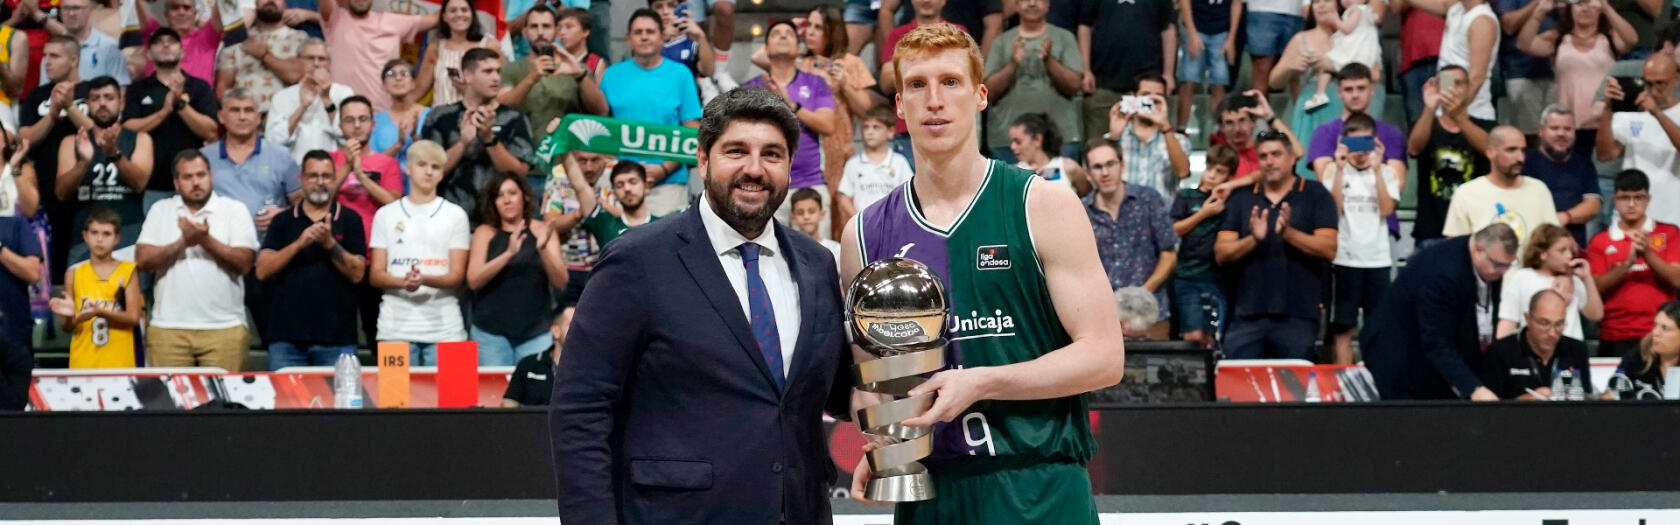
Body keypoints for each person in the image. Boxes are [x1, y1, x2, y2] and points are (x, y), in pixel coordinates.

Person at [843, 23, 1124, 522]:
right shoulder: (862, 233)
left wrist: (979, 382)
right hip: (931, 493)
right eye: (916, 85)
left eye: (950, 82)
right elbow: (875, 376)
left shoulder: (1043, 204)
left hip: (1038, 482)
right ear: (899, 108)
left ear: (979, 96)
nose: (934, 100)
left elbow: (1104, 358)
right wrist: (886, 443)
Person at [553, 86, 852, 524]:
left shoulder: (817, 263)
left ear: (790, 166)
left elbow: (836, 391)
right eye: (736, 151)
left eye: (772, 154)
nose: (755, 169)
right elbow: (580, 407)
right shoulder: (637, 260)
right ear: (703, 158)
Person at [1214, 130, 1339, 360]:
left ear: (1292, 158)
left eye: (1276, 154)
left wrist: (1289, 234)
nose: (1269, 161)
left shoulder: (1315, 194)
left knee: (1295, 392)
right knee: (1238, 391)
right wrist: (1254, 239)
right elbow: (1222, 253)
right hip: (1245, 316)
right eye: (1263, 156)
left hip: (1298, 315)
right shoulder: (1241, 198)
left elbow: (1329, 249)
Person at [135, 150, 260, 372]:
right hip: (168, 329)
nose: (196, 182)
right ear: (176, 182)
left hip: (224, 329)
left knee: (223, 405)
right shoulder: (161, 210)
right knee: (168, 405)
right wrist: (183, 242)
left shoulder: (234, 210)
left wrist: (204, 240)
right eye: (187, 177)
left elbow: (245, 263)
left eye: (201, 175)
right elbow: (143, 260)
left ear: (210, 176)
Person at [1365, 223, 1517, 400]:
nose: (1502, 272)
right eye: (1498, 265)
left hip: (1428, 351)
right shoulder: (1443, 274)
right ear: (1478, 249)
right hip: (1397, 355)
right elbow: (1436, 342)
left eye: (1508, 266)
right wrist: (1474, 388)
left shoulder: (1488, 262)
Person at [254, 150, 366, 370]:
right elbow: (262, 271)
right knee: (285, 404)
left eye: (326, 176)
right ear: (301, 179)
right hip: (286, 340)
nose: (320, 182)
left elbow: (358, 273)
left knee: (339, 404)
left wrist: (330, 244)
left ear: (334, 180)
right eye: (313, 176)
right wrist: (299, 243)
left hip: (337, 339)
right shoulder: (282, 220)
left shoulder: (350, 219)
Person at [367, 140, 468, 365]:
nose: (429, 172)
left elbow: (457, 276)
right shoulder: (386, 215)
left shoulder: (456, 215)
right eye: (422, 164)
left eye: (435, 167)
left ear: (442, 173)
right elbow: (375, 274)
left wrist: (423, 279)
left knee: (454, 400)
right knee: (394, 400)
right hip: (394, 329)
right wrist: (404, 282)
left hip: (447, 329)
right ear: (408, 167)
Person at [598, 9, 701, 217]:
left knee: (670, 248)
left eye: (650, 31)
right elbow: (601, 131)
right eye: (638, 32)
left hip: (668, 183)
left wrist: (663, 170)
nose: (644, 36)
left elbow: (693, 133)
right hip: (621, 186)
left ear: (662, 37)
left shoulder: (681, 74)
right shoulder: (610, 76)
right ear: (628, 38)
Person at [744, 20, 838, 233]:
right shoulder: (750, 88)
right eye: (776, 33)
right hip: (764, 185)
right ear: (766, 49)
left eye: (789, 33)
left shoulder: (816, 83)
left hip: (810, 185)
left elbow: (828, 125)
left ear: (799, 48)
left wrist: (791, 104)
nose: (784, 36)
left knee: (815, 259)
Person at [467, 172, 567, 366]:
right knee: (494, 395)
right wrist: (508, 254)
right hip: (491, 333)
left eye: (512, 193)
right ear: (493, 202)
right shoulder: (485, 232)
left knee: (535, 392)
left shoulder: (543, 231)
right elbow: (473, 280)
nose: (506, 200)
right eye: (499, 195)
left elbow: (561, 281)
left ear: (525, 196)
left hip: (535, 332)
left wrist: (543, 249)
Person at [1323, 114, 1399, 364]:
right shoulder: (1334, 170)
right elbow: (1334, 212)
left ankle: (1375, 382)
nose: (1359, 151)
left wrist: (1377, 170)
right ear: (1343, 142)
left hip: (1377, 259)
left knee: (1377, 327)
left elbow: (1387, 210)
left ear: (1375, 141)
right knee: (1343, 328)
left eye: (1364, 143)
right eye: (1354, 144)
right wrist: (1340, 167)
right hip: (1345, 259)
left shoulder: (1386, 172)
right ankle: (1344, 386)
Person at [423, 48, 534, 220]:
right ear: (468, 75)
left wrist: (489, 139)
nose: (496, 78)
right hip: (448, 219)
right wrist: (462, 143)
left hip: (500, 222)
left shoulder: (514, 118)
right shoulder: (440, 117)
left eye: (498, 71)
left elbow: (519, 173)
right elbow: (427, 173)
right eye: (488, 72)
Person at [1084, 139, 1177, 338]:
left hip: (1152, 314)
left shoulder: (1148, 199)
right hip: (1103, 319)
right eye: (1097, 167)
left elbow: (1169, 254)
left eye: (1110, 164)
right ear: (1088, 173)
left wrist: (1140, 296)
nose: (1105, 172)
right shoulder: (1081, 211)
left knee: (1159, 369)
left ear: (1122, 165)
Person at [56, 75, 150, 266]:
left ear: (121, 103)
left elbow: (139, 183)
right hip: (84, 239)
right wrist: (83, 162)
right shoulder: (71, 142)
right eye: (96, 98)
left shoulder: (140, 139)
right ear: (88, 104)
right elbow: (61, 192)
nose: (102, 103)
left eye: (109, 97)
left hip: (129, 235)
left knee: (131, 296)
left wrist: (114, 154)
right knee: (81, 296)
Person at [1515, 0, 1634, 148]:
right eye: (1579, 3)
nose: (1585, 9)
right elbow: (1524, 44)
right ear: (1570, 8)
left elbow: (1632, 40)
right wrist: (1538, 13)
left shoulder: (1610, 39)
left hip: (1604, 121)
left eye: (1590, 3)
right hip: (1569, 125)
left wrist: (1607, 8)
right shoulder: (1557, 39)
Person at [1589, 169, 1680, 358]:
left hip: (1661, 334)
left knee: (1668, 387)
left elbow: (1677, 280)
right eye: (1625, 198)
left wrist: (1647, 253)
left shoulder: (1669, 233)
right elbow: (1595, 289)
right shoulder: (1600, 241)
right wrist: (1627, 264)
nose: (1631, 204)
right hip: (1615, 335)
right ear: (1615, 200)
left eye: (1638, 197)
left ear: (1648, 199)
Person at [124, 28, 219, 207]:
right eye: (158, 42)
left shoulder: (199, 87)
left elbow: (210, 131)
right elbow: (128, 128)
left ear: (183, 52)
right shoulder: (138, 88)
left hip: (191, 182)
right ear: (149, 54)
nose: (166, 44)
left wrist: (180, 105)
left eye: (172, 41)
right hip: (150, 184)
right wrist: (164, 112)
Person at [981, 0, 1083, 164]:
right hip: (1007, 143)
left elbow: (1075, 85)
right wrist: (1013, 63)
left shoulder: (1064, 38)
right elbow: (989, 92)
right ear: (1016, 5)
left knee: (1058, 190)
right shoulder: (1001, 42)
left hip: (1061, 139)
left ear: (1049, 4)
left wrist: (1050, 61)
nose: (1032, 3)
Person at [1409, 65, 1491, 247]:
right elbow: (1414, 149)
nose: (1453, 89)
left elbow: (1491, 151)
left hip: (1475, 230)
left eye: (1459, 84)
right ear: (1437, 87)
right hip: (1431, 230)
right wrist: (1429, 109)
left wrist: (1459, 117)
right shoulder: (1425, 123)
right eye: (1447, 84)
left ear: (1469, 88)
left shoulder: (1486, 126)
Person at [497, 5, 608, 138]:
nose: (540, 33)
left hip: (566, 151)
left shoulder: (575, 67)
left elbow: (601, 111)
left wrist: (580, 76)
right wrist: (531, 78)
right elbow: (502, 106)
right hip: (523, 151)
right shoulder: (511, 68)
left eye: (546, 26)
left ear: (556, 32)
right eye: (534, 27)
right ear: (524, 32)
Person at [51, 206, 140, 368]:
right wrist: (70, 317)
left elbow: (134, 317)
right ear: (85, 236)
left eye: (106, 234)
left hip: (119, 362)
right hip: (83, 361)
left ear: (117, 238)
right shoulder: (74, 273)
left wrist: (100, 312)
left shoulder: (128, 270)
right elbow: (67, 326)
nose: (99, 239)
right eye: (94, 233)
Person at [203, 88, 301, 236]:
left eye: (248, 110)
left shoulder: (281, 156)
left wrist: (284, 215)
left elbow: (303, 205)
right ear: (221, 117)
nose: (242, 117)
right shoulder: (204, 158)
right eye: (235, 110)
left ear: (258, 117)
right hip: (219, 246)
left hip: (270, 250)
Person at [1077, 0, 1176, 144]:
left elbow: (1168, 29)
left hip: (1148, 87)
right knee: (1099, 149)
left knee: (1152, 148)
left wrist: (1168, 73)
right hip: (1103, 84)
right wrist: (1085, 69)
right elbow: (1084, 26)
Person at [1442, 126, 1561, 245]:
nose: (1520, 158)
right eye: (1511, 150)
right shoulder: (1466, 194)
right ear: (1490, 153)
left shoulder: (1539, 190)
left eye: (1523, 150)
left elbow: (1554, 242)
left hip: (1532, 264)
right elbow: (1454, 251)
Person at [1597, 54, 1680, 225]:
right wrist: (1607, 108)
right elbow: (1606, 155)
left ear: (1676, 80)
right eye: (1648, 83)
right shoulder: (1629, 113)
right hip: (1631, 217)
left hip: (1672, 214)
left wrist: (1657, 113)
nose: (1653, 90)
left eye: (1660, 83)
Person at [317, 0, 438, 111]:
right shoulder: (336, 19)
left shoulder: (392, 22)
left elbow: (437, 18)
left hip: (382, 115)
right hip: (341, 114)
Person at [1169, 143, 1234, 347]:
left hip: (1216, 277)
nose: (1212, 175)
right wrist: (1204, 213)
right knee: (1193, 336)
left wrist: (1228, 191)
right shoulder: (1186, 196)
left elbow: (1255, 178)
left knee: (1213, 337)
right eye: (1210, 168)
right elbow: (1173, 229)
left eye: (1220, 172)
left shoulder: (1231, 202)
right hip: (1186, 276)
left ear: (1230, 178)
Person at [1496, 223, 1603, 341]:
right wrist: (1501, 352)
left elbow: (1595, 315)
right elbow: (1508, 320)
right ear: (1543, 254)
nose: (1569, 255)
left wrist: (1587, 278)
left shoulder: (1574, 280)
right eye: (1562, 251)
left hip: (1570, 351)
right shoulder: (1523, 277)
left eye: (1571, 251)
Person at [1481, 289, 1593, 399]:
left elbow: (1588, 402)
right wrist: (1522, 403)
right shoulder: (1500, 352)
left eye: (1559, 324)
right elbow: (1489, 408)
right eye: (1544, 323)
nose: (1552, 333)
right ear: (1528, 318)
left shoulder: (1577, 350)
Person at [1306, 64, 1408, 183]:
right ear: (1339, 92)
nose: (1355, 95)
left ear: (1371, 90)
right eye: (1348, 89)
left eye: (1361, 88)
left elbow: (1397, 185)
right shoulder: (1323, 133)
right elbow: (1325, 181)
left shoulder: (1392, 133)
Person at [1525, 105, 1602, 247]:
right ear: (1541, 131)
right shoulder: (1526, 163)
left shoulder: (1584, 164)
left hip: (1574, 248)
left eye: (1567, 129)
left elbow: (1593, 205)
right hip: (1535, 244)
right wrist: (1552, 221)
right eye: (1554, 128)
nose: (1561, 134)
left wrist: (1565, 217)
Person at [265, 39, 351, 165]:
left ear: (329, 63)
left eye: (322, 59)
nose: (316, 64)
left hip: (334, 172)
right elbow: (273, 141)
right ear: (298, 61)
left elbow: (351, 137)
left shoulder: (343, 93)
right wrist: (302, 107)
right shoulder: (282, 97)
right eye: (310, 58)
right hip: (293, 172)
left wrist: (327, 99)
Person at [1105, 74, 1190, 198]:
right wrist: (1114, 136)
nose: (1150, 103)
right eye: (1145, 96)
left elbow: (1182, 172)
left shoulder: (1178, 140)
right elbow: (1098, 176)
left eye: (1157, 99)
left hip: (1163, 214)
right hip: (1122, 214)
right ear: (1133, 98)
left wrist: (1165, 126)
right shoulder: (1113, 138)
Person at [331, 95, 403, 238]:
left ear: (373, 124)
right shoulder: (329, 159)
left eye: (363, 119)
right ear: (340, 126)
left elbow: (394, 204)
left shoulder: (388, 163)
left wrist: (361, 176)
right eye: (349, 120)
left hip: (377, 240)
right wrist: (347, 165)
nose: (357, 125)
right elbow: (321, 197)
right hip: (335, 240)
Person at [213, 0, 304, 106]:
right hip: (244, 116)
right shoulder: (237, 40)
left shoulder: (299, 38)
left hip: (286, 116)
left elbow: (294, 76)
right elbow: (222, 88)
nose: (271, 1)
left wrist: (264, 55)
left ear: (286, 3)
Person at [836, 105, 913, 226]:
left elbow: (908, 194)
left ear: (890, 132)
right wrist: (858, 218)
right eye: (866, 127)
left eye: (876, 127)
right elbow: (843, 196)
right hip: (863, 226)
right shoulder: (853, 164)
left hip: (892, 225)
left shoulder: (899, 162)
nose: (870, 132)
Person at [413, 0, 497, 107]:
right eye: (453, 11)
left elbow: (498, 92)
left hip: (478, 119)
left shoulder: (488, 45)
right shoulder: (435, 47)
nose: (459, 14)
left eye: (464, 10)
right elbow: (418, 91)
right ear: (444, 17)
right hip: (441, 118)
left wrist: (468, 91)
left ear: (472, 14)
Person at [1174, 0, 1241, 129]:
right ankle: (1181, 128)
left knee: (1219, 81)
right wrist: (1192, 33)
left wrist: (1231, 39)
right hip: (1195, 27)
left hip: (1222, 31)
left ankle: (1220, 129)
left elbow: (1236, 4)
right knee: (1188, 79)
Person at [1209, 90, 1304, 181]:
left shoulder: (1265, 152)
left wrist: (1269, 117)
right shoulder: (1218, 155)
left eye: (1242, 120)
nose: (1237, 129)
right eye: (1229, 123)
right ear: (1221, 127)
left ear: (1253, 122)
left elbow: (1297, 153)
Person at [1306, 0, 1383, 112]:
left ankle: (1320, 93)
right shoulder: (1351, 12)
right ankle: (1320, 93)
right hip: (1351, 46)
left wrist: (1335, 20)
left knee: (1329, 62)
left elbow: (1347, 28)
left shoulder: (1358, 10)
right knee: (1327, 63)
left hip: (1358, 49)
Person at [132, 0, 221, 83]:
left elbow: (224, 7)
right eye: (175, 8)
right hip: (157, 96)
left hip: (198, 98)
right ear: (166, 14)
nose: (181, 12)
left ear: (195, 14)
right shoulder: (155, 35)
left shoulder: (207, 37)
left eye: (186, 8)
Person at [1605, 301, 1680, 400]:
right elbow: (1610, 396)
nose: (1655, 332)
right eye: (1655, 325)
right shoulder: (1638, 356)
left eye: (1665, 328)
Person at [578, 162, 660, 247]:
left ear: (646, 186)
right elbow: (580, 188)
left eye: (633, 182)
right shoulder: (605, 225)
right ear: (614, 194)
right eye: (620, 185)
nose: (627, 189)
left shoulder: (662, 227)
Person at [370, 59, 427, 174]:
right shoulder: (375, 121)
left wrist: (415, 138)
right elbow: (372, 165)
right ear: (384, 85)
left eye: (404, 74)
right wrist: (398, 145)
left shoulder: (430, 115)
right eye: (391, 74)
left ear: (413, 84)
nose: (398, 78)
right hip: (387, 187)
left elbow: (436, 158)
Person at [1395, 0, 1446, 125]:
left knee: (1449, 113)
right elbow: (1395, 7)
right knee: (1416, 118)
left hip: (1448, 61)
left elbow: (1452, 6)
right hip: (1413, 59)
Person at [1011, 112, 1088, 194]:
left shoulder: (1068, 167)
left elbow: (1087, 197)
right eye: (1012, 141)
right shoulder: (1012, 174)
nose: (1012, 147)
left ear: (1037, 139)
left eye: (1018, 142)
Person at [53, 0, 128, 85]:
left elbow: (121, 87)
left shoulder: (109, 46)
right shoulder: (51, 50)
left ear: (90, 11)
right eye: (66, 9)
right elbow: (43, 92)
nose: (71, 13)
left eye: (76, 8)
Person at [1245, 0, 1306, 97]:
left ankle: (1302, 111)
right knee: (1262, 68)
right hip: (1262, 10)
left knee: (1297, 70)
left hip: (1297, 11)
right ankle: (1259, 110)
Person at [501, 313, 563, 407]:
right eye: (573, 325)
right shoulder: (528, 364)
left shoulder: (588, 367)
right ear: (556, 331)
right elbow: (509, 403)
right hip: (532, 420)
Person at [647, 0, 714, 78]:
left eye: (671, 5)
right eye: (659, 7)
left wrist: (701, 38)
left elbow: (707, 71)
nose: (665, 12)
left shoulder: (691, 39)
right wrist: (662, 39)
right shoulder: (644, 39)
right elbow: (644, 70)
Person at [788, 187, 840, 261]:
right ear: (792, 218)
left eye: (811, 211)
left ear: (822, 214)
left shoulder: (835, 249)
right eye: (800, 213)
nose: (806, 217)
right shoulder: (788, 250)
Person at [556, 8, 607, 78]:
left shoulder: (596, 63)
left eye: (569, 27)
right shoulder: (555, 59)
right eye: (559, 28)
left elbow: (596, 89)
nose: (562, 32)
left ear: (585, 32)